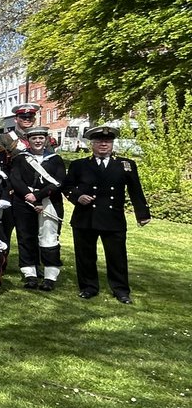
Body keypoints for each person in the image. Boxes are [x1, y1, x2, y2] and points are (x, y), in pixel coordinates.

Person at [62, 124, 151, 303]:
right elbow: (67, 186)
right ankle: (88, 287)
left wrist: (142, 213)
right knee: (85, 255)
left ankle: (121, 290)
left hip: (113, 218)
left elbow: (136, 190)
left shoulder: (125, 165)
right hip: (85, 217)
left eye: (107, 141)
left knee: (117, 256)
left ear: (112, 144)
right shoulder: (79, 165)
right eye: (99, 141)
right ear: (91, 144)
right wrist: (78, 197)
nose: (103, 144)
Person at [9, 125, 66, 290]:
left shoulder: (55, 159)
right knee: (26, 236)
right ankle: (30, 274)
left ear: (46, 139)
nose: (38, 141)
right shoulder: (20, 158)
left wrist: (38, 196)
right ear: (29, 140)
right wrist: (30, 196)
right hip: (24, 200)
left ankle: (50, 276)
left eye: (41, 138)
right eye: (34, 138)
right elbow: (16, 179)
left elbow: (59, 181)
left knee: (49, 238)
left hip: (49, 201)